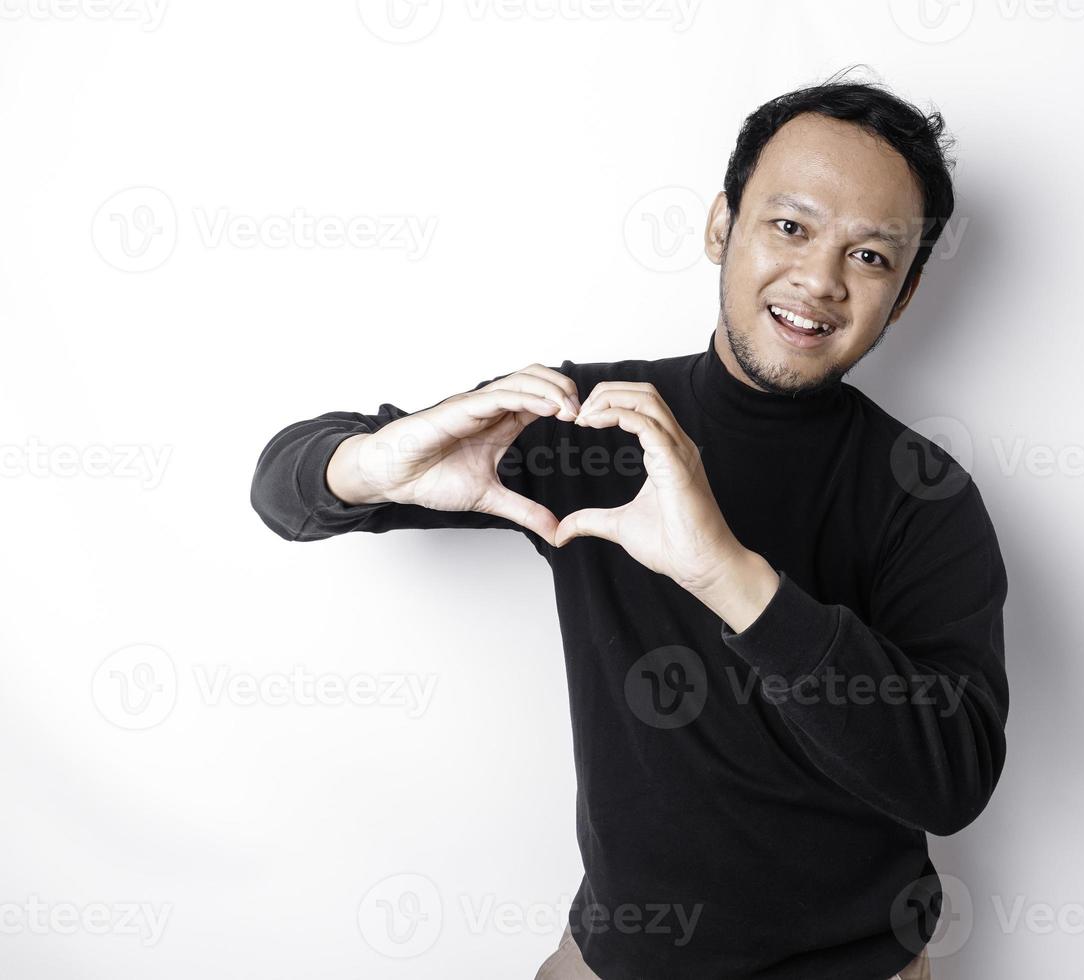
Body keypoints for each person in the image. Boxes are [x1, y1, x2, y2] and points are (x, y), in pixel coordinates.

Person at [251, 67, 1007, 980]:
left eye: (871, 255)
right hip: (615, 960)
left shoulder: (920, 493)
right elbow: (282, 494)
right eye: (790, 225)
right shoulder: (595, 423)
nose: (818, 279)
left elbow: (953, 779)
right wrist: (368, 466)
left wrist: (731, 575)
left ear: (907, 292)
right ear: (721, 224)